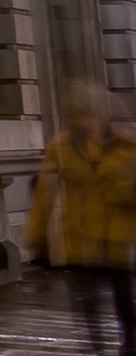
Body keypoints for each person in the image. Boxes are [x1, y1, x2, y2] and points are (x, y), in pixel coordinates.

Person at [28, 89, 136, 272]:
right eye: (76, 115)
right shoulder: (61, 147)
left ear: (104, 117)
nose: (82, 121)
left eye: (88, 115)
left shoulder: (127, 146)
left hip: (119, 239)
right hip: (81, 241)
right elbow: (44, 192)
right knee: (84, 294)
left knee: (123, 295)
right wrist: (36, 234)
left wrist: (125, 192)